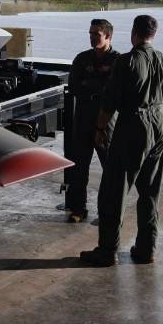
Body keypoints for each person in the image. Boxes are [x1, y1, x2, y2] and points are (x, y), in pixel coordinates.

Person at [80, 14, 163, 267]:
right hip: (159, 124)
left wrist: (99, 129)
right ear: (153, 34)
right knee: (149, 191)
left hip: (133, 126)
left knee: (114, 190)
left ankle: (107, 251)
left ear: (134, 33)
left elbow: (110, 101)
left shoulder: (126, 62)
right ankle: (146, 249)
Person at [63, 19, 120, 223]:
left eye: (97, 33)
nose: (92, 37)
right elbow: (74, 87)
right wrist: (99, 86)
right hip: (84, 119)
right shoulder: (82, 59)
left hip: (107, 121)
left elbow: (115, 90)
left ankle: (111, 212)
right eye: (90, 33)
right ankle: (78, 208)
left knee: (111, 168)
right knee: (79, 167)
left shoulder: (118, 61)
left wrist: (90, 85)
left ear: (108, 36)